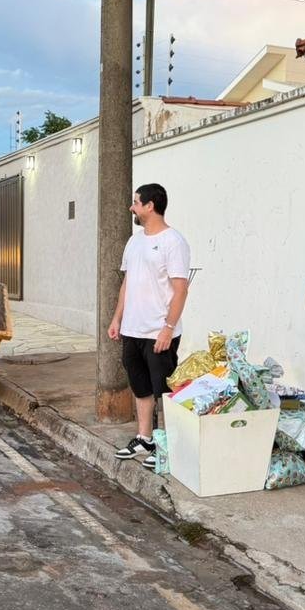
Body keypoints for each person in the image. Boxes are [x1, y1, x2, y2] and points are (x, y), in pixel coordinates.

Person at [110, 183, 191, 470]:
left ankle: (166, 444)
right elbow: (127, 283)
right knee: (141, 386)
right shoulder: (134, 242)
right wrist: (117, 318)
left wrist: (168, 328)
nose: (131, 207)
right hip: (132, 330)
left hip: (159, 332)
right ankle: (145, 438)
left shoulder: (174, 242)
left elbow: (180, 290)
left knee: (163, 390)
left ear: (149, 206)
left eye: (135, 202)